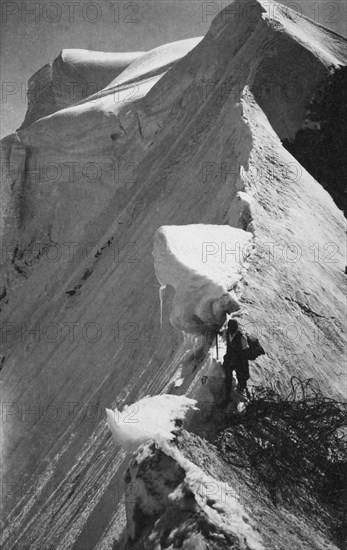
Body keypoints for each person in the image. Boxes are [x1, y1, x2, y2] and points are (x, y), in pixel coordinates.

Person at [222, 319, 249, 404]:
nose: (234, 330)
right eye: (232, 328)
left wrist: (243, 365)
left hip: (239, 360)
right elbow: (222, 333)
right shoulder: (227, 333)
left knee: (241, 377)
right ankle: (227, 396)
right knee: (227, 377)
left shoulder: (242, 337)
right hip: (230, 359)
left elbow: (245, 352)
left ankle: (242, 396)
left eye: (235, 328)